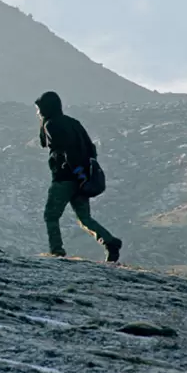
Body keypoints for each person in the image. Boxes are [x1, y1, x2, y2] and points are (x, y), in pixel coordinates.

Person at [36, 90, 122, 262]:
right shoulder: (73, 122)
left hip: (64, 178)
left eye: (39, 108)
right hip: (81, 180)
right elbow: (91, 148)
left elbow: (66, 151)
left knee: (51, 216)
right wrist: (83, 175)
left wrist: (74, 171)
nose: (38, 112)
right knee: (84, 218)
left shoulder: (51, 124)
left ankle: (56, 251)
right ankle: (109, 242)